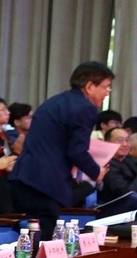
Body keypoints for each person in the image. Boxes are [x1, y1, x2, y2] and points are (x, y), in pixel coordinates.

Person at [10, 61, 114, 239]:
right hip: (45, 183)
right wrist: (97, 172)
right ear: (90, 86)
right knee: (42, 240)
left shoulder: (56, 101)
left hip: (28, 177)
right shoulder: (84, 108)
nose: (108, 92)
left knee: (32, 238)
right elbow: (77, 151)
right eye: (106, 86)